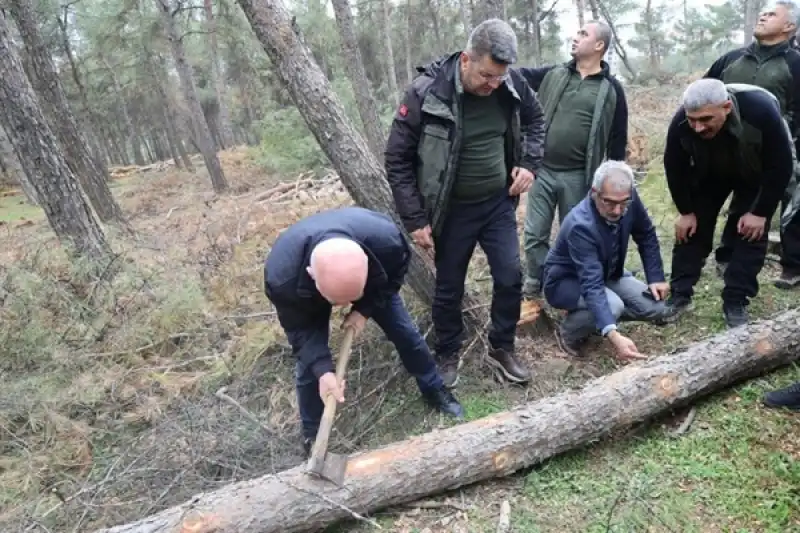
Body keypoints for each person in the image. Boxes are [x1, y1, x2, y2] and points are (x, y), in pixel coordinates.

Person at [384, 19, 546, 388]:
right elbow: (397, 159)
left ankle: (502, 347)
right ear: (466, 60)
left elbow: (536, 120)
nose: (493, 84)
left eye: (499, 77)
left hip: (498, 203)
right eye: (486, 75)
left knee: (510, 276)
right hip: (452, 209)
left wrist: (529, 164)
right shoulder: (427, 92)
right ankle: (447, 352)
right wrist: (414, 219)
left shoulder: (511, 84)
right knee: (449, 286)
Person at [263, 206, 464, 456]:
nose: (344, 307)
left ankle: (434, 388)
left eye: (349, 300)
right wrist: (323, 370)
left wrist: (364, 309)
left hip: (371, 286)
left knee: (405, 334)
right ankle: (313, 435)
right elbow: (301, 332)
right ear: (311, 275)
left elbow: (393, 278)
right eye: (338, 302)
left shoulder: (387, 243)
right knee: (310, 366)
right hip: (305, 293)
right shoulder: (283, 277)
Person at [661, 79, 795, 328]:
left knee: (750, 233)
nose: (698, 127)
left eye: (706, 119)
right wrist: (686, 211)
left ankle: (735, 299)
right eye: (692, 120)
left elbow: (781, 165)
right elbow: (674, 166)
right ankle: (679, 295)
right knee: (692, 229)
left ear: (726, 107)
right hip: (709, 173)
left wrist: (760, 212)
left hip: (754, 173)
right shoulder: (681, 121)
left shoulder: (760, 111)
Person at [516, 20, 628, 302]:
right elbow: (516, 76)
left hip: (579, 177)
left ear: (599, 45)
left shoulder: (612, 90)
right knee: (534, 234)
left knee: (576, 236)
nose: (575, 37)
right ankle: (536, 279)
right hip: (542, 171)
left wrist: (612, 184)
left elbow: (617, 140)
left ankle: (568, 284)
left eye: (583, 34)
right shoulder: (553, 74)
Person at [704, 1, 800, 290]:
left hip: (779, 152)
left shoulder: (795, 64)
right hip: (728, 150)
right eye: (762, 12)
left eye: (771, 14)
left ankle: (793, 266)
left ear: (789, 26)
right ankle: (726, 255)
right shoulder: (731, 59)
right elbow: (702, 95)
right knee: (740, 204)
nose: (763, 16)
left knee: (790, 207)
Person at [542, 160, 668, 359]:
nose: (617, 210)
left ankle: (598, 318)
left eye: (623, 203)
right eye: (609, 202)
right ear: (595, 192)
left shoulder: (627, 197)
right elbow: (591, 284)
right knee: (613, 306)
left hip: (608, 273)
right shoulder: (580, 225)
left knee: (657, 308)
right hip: (567, 282)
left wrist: (656, 277)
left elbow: (646, 234)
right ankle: (569, 331)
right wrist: (613, 334)